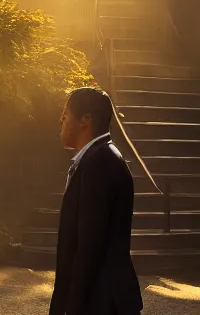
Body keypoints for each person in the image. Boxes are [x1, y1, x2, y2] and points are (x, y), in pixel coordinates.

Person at [50, 86, 143, 315]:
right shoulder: (98, 158)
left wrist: (72, 307)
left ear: (85, 120)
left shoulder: (99, 164)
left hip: (102, 301)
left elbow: (89, 246)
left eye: (65, 116)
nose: (60, 122)